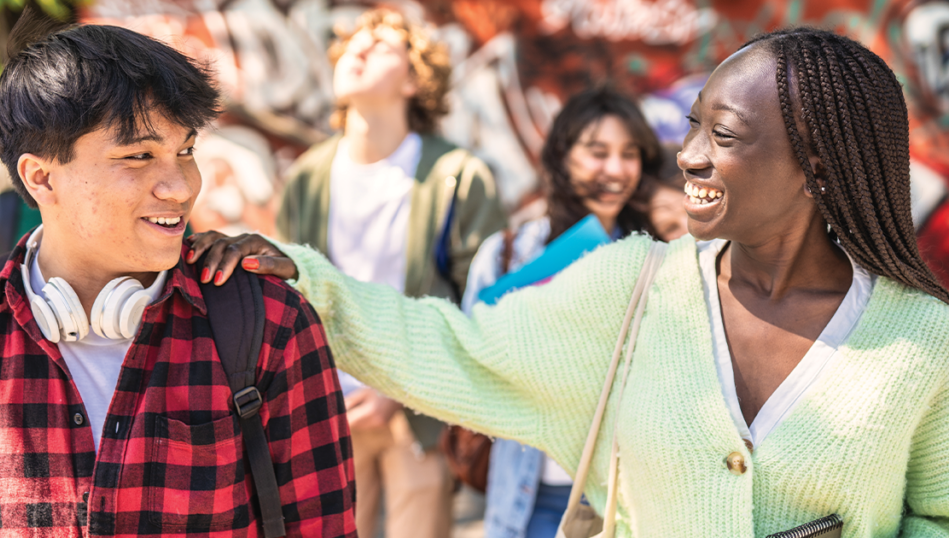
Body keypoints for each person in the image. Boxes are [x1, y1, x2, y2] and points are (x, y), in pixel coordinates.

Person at [192, 28, 949, 537]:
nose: (684, 156)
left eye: (721, 135)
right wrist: (311, 284)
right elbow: (456, 347)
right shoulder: (633, 289)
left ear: (816, 165)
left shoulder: (923, 338)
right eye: (690, 127)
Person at [0, 14, 355, 537]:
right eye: (138, 155)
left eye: (185, 150)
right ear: (41, 177)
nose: (179, 186)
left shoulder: (271, 322)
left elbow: (324, 526)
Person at [271, 8, 505, 538]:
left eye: (379, 46)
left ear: (414, 79)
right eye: (351, 43)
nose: (356, 50)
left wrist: (396, 385)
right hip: (324, 403)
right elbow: (289, 291)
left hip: (417, 406)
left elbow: (483, 298)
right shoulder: (309, 175)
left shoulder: (457, 175)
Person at [458, 85, 661, 538]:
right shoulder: (508, 255)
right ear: (562, 156)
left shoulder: (657, 261)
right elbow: (468, 357)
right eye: (597, 152)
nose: (615, 169)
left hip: (627, 498)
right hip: (530, 494)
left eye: (629, 154)